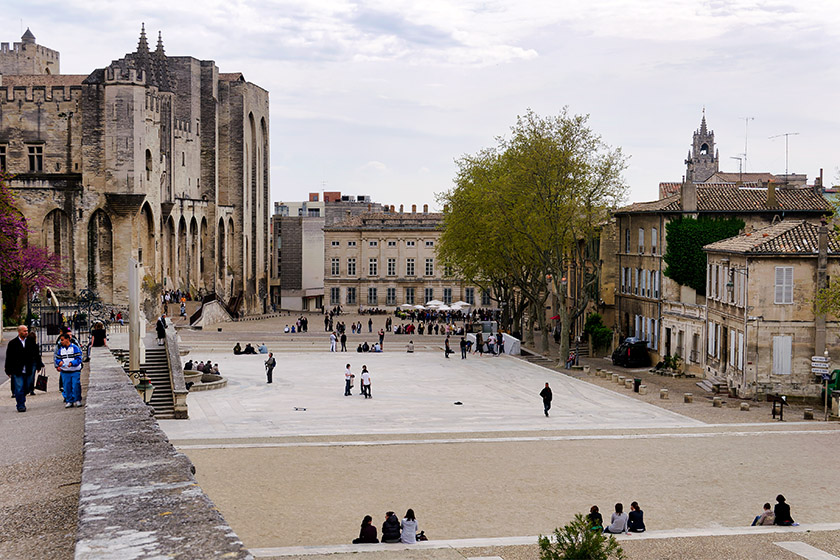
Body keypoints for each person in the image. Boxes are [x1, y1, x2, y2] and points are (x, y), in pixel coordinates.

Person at [5, 325, 38, 412]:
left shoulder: (30, 342)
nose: (26, 332)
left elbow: (36, 354)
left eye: (27, 331)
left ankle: (22, 398)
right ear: (19, 332)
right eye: (24, 331)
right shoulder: (13, 343)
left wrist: (38, 364)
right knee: (19, 388)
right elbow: (9, 357)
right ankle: (20, 405)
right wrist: (8, 370)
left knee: (27, 387)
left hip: (28, 369)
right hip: (17, 370)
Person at [55, 333, 84, 408]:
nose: (61, 342)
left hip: (75, 370)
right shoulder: (61, 349)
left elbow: (79, 358)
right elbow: (57, 358)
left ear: (67, 339)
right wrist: (59, 362)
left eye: (62, 340)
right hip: (65, 371)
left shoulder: (75, 348)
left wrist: (72, 363)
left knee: (75, 385)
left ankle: (77, 399)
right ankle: (69, 400)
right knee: (66, 386)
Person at [24, 331, 44, 395]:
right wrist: (39, 365)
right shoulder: (35, 346)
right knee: (32, 376)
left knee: (27, 376)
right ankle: (31, 389)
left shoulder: (25, 345)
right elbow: (37, 356)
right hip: (33, 362)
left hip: (27, 362)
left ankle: (27, 388)